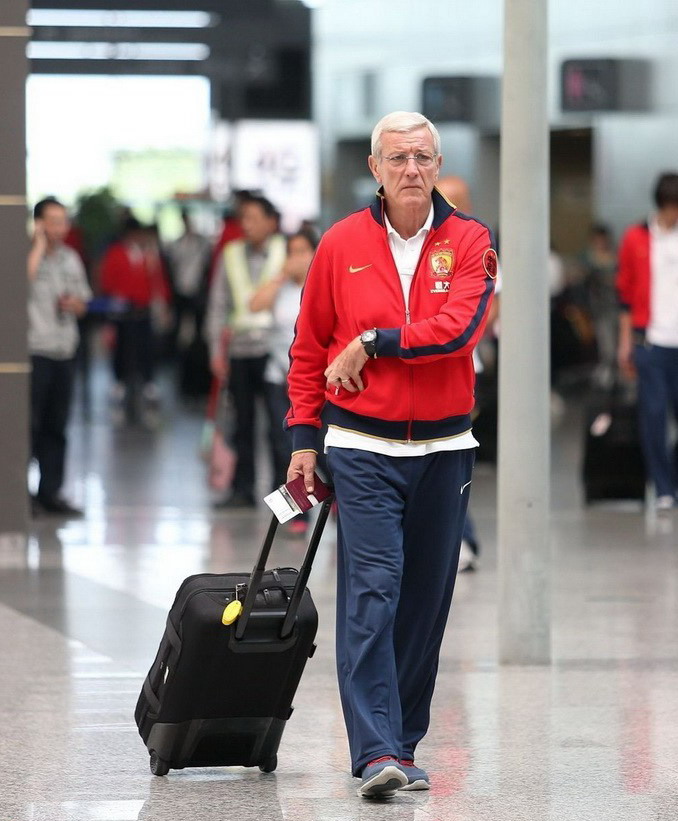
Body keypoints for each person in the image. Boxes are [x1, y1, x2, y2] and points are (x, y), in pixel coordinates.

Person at [284, 111, 496, 797]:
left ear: (439, 166)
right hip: (361, 446)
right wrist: (303, 437)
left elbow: (459, 330)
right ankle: (375, 749)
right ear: (375, 167)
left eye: (423, 157)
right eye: (398, 158)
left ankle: (403, 743)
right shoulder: (340, 243)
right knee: (373, 589)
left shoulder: (470, 240)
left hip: (445, 448)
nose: (412, 169)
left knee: (425, 601)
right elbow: (309, 346)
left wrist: (373, 342)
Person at [206, 195, 287, 508]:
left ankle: (283, 496)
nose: (247, 225)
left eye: (253, 218)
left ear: (271, 221)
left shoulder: (287, 251)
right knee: (242, 424)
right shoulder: (231, 254)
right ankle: (242, 490)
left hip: (276, 352)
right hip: (239, 351)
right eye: (244, 218)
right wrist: (216, 351)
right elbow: (218, 306)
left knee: (279, 425)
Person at [250, 227, 319, 535]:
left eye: (303, 251)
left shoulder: (321, 286)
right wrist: (280, 276)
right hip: (278, 376)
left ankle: (335, 502)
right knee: (281, 444)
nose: (297, 258)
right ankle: (296, 513)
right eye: (292, 252)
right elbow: (254, 305)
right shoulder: (282, 287)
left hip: (313, 382)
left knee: (318, 447)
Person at [617, 172, 678, 511]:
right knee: (653, 416)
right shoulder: (637, 238)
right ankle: (663, 487)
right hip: (650, 342)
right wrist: (625, 342)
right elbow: (625, 294)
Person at [27, 197, 92, 516]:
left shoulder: (71, 258)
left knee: (57, 425)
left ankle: (50, 492)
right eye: (52, 222)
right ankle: (21, 496)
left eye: (63, 221)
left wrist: (76, 305)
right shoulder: (26, 255)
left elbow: (84, 302)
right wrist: (38, 246)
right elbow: (18, 288)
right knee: (30, 425)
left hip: (64, 349)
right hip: (34, 351)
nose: (59, 228)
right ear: (39, 223)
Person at [99, 217, 171, 425]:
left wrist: (163, 304)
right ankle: (119, 383)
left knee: (146, 348)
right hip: (122, 311)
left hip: (143, 310)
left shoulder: (149, 254)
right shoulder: (115, 253)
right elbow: (107, 280)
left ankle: (148, 383)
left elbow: (158, 281)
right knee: (121, 349)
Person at [165, 208, 212, 353]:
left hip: (196, 289)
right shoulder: (177, 244)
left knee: (198, 326)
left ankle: (196, 354)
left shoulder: (202, 243)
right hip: (181, 289)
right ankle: (178, 355)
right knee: (178, 325)